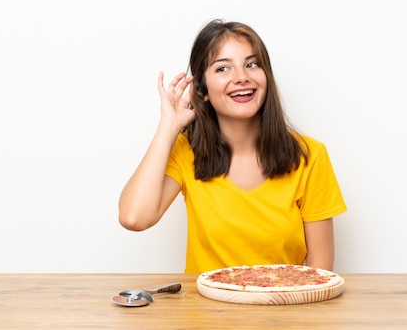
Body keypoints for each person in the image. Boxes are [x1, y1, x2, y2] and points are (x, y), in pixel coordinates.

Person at [119, 19, 347, 274]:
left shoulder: (310, 156)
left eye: (251, 64)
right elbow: (134, 218)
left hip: (280, 308)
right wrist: (168, 126)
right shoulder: (186, 151)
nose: (242, 77)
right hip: (204, 312)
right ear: (202, 90)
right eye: (223, 68)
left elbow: (320, 270)